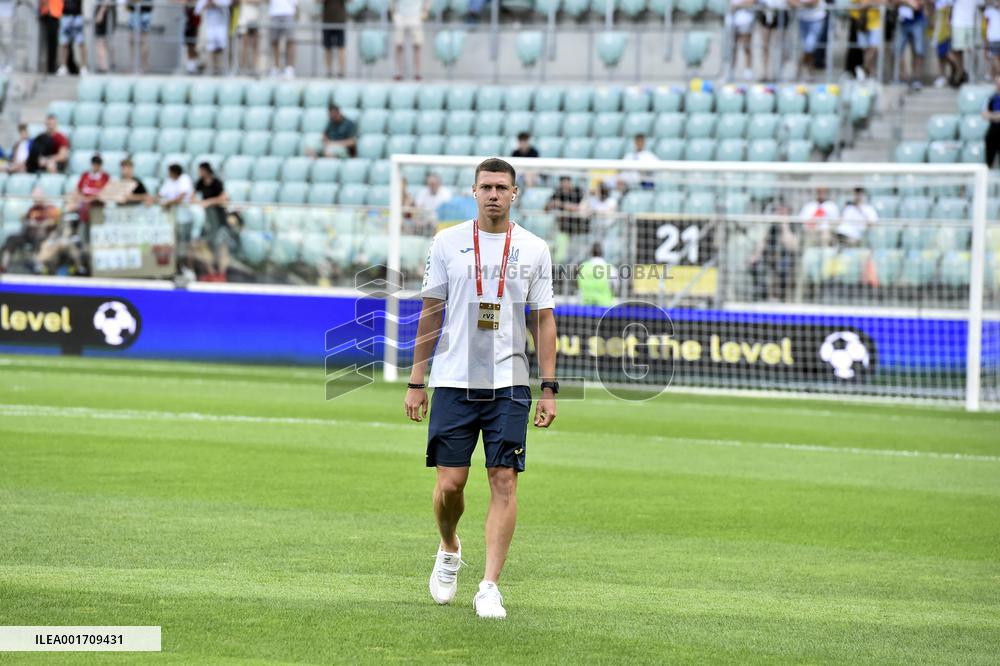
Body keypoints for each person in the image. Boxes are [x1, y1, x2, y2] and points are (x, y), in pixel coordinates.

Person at [404, 157, 557, 620]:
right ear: (473, 192)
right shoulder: (447, 242)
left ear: (515, 194)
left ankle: (489, 586)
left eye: (501, 187)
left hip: (510, 382)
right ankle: (449, 546)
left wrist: (549, 387)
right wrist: (416, 379)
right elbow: (431, 312)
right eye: (486, 186)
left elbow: (543, 320)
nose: (494, 194)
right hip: (452, 379)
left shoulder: (534, 248)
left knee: (504, 480)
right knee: (451, 485)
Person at [0, 188, 60, 274]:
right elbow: (26, 221)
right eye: (34, 199)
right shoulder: (32, 209)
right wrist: (25, 220)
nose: (36, 201)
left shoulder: (50, 209)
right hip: (28, 235)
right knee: (11, 238)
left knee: (39, 239)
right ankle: (4, 265)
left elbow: (53, 223)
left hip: (42, 236)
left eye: (38, 198)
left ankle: (38, 267)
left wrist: (42, 224)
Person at [749, 200, 799, 301]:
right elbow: (763, 241)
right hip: (770, 256)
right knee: (757, 266)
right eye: (778, 211)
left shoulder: (792, 224)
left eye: (783, 211)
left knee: (782, 267)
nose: (780, 214)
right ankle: (763, 298)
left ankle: (781, 298)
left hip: (786, 257)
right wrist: (755, 255)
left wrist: (785, 226)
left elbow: (791, 246)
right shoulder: (772, 225)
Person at [192, 162, 233, 280]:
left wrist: (209, 201)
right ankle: (212, 272)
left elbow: (224, 198)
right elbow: (192, 197)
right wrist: (199, 202)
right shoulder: (200, 182)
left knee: (222, 246)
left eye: (201, 170)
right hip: (208, 219)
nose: (199, 173)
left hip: (219, 218)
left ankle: (221, 273)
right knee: (202, 245)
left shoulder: (216, 182)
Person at [790, 0, 827, 80]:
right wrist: (804, 4)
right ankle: (810, 72)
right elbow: (791, 2)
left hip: (816, 18)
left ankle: (799, 70)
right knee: (806, 48)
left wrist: (800, 4)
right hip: (802, 18)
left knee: (809, 47)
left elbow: (814, 3)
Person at [392, 0, 429, 80]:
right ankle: (398, 73)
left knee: (417, 45)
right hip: (400, 15)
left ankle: (417, 73)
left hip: (416, 16)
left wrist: (425, 10)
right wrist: (393, 12)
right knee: (398, 44)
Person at [69, 154, 110, 226]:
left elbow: (106, 192)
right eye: (94, 164)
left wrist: (91, 199)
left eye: (98, 165)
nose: (96, 167)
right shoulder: (85, 175)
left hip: (97, 203)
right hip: (84, 201)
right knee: (72, 205)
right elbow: (78, 190)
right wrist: (80, 198)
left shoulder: (105, 177)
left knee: (87, 207)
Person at [158, 163, 195, 239]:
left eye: (170, 172)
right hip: (173, 211)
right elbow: (160, 194)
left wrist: (168, 202)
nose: (168, 174)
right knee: (173, 232)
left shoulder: (184, 179)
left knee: (184, 233)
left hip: (185, 211)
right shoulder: (169, 181)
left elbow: (181, 197)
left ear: (174, 172)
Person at [849, 0, 883, 79]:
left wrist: (869, 3)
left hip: (875, 23)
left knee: (873, 48)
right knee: (865, 49)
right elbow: (856, 5)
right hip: (861, 22)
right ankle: (870, 73)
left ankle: (863, 69)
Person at [196, 0, 233, 73]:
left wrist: (215, 4)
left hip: (222, 25)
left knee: (222, 48)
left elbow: (229, 3)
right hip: (209, 26)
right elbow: (197, 10)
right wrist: (207, 5)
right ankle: (212, 68)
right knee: (211, 48)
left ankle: (222, 68)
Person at [56, 0, 89, 76]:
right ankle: (63, 66)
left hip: (77, 15)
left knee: (81, 42)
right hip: (65, 15)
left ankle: (83, 67)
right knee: (64, 43)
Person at [759, 0, 789, 80]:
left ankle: (779, 73)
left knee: (779, 46)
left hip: (780, 14)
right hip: (767, 14)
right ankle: (765, 73)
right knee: (765, 46)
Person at [949, 0, 977, 86]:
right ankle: (960, 73)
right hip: (958, 22)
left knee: (972, 50)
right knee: (957, 50)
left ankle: (972, 75)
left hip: (971, 23)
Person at [269, 0, 297, 78]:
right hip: (274, 12)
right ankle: (275, 68)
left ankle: (289, 69)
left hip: (289, 12)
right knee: (274, 41)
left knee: (290, 41)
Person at [730, 0, 756, 80]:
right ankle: (731, 71)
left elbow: (752, 2)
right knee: (732, 48)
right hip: (732, 20)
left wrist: (738, 5)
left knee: (746, 46)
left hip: (745, 20)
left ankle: (748, 71)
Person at [933, 0, 955, 87]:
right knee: (940, 56)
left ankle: (959, 72)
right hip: (939, 32)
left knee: (947, 54)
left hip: (946, 31)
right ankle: (942, 77)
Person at [322, 0, 346, 78]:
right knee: (327, 47)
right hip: (327, 20)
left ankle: (341, 71)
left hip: (340, 20)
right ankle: (329, 71)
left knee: (341, 47)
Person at [128, 0, 153, 73]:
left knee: (143, 41)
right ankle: (133, 66)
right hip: (134, 12)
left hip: (144, 13)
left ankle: (143, 67)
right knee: (132, 41)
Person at [238, 0, 262, 74]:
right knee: (244, 44)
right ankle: (243, 68)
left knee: (255, 44)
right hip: (245, 18)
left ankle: (254, 68)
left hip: (255, 17)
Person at [39, 0, 62, 75]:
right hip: (48, 13)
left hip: (54, 14)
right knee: (49, 43)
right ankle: (49, 67)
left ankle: (51, 68)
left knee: (52, 43)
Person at [93, 0, 116, 73]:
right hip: (107, 14)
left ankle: (104, 67)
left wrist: (101, 13)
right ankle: (109, 65)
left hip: (105, 16)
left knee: (101, 42)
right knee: (105, 42)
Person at [984, 74, 1000, 167]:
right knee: (989, 158)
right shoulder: (991, 98)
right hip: (993, 129)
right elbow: (984, 114)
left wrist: (993, 114)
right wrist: (996, 116)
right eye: (997, 83)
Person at [986, 0, 1000, 78]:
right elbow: (986, 25)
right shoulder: (989, 10)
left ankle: (993, 76)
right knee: (995, 58)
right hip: (993, 38)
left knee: (996, 58)